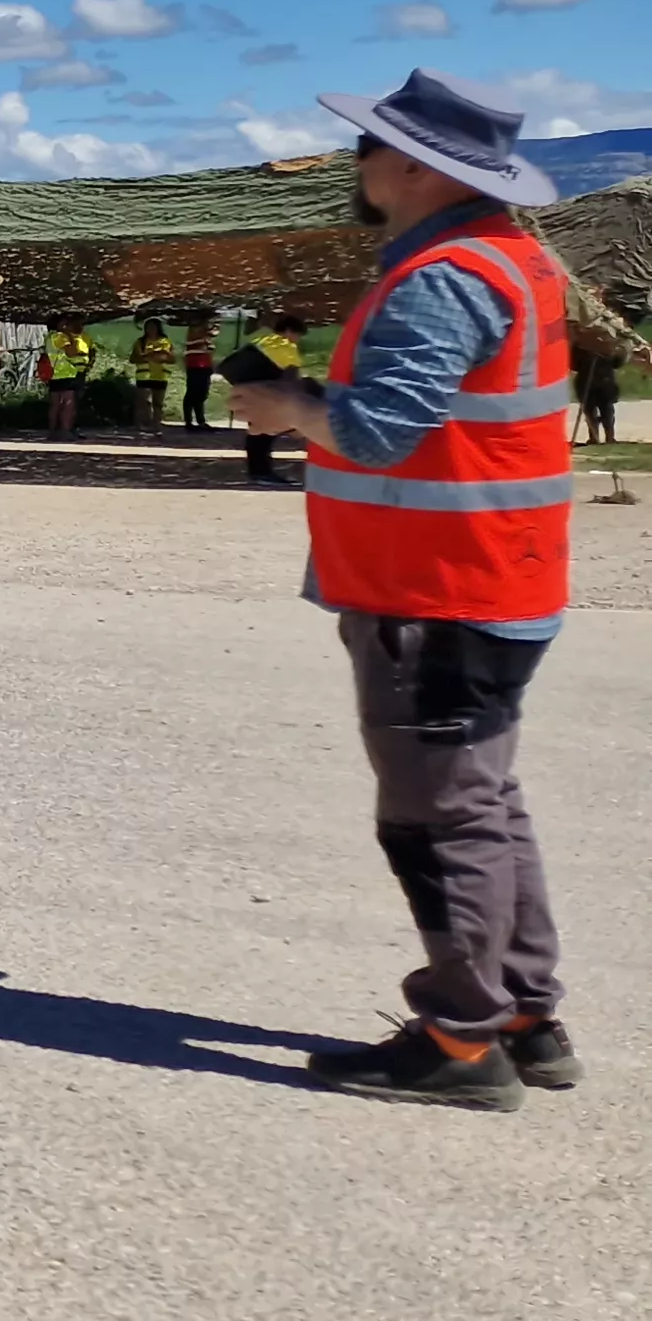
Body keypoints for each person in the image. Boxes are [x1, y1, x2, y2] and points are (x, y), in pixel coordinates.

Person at [226, 69, 577, 1111]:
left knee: (435, 822)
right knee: (485, 806)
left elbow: (381, 432)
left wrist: (290, 404)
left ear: (414, 167)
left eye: (367, 149)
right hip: (495, 576)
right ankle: (521, 1009)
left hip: (434, 593)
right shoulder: (511, 260)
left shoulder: (440, 277)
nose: (357, 166)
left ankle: (460, 1042)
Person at [247, 313, 311, 486]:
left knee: (255, 434)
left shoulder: (262, 341)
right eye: (297, 335)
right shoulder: (286, 346)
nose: (297, 340)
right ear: (289, 331)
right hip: (272, 395)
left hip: (251, 392)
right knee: (266, 435)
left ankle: (256, 471)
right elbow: (291, 374)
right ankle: (263, 473)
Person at [41, 319, 95, 441]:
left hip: (56, 374)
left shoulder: (52, 336)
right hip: (66, 373)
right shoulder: (60, 336)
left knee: (55, 404)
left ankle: (53, 430)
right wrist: (71, 336)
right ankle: (65, 430)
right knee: (67, 404)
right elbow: (71, 352)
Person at [576, 324, 626, 446]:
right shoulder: (581, 346)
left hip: (605, 383)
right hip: (587, 382)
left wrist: (613, 353)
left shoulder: (609, 347)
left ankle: (610, 437)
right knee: (590, 412)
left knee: (607, 412)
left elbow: (618, 362)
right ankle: (594, 437)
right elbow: (573, 363)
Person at [126, 320, 174, 434]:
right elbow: (133, 359)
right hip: (144, 375)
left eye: (153, 327)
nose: (150, 330)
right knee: (143, 401)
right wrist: (150, 356)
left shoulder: (165, 341)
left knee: (158, 403)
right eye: (148, 327)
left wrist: (159, 356)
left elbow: (171, 358)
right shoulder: (140, 342)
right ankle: (141, 425)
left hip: (160, 375)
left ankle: (156, 425)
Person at [180, 319, 218, 432]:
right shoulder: (195, 329)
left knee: (202, 393)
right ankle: (189, 421)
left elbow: (215, 333)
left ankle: (200, 420)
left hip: (204, 364)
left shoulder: (207, 334)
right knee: (192, 392)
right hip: (194, 364)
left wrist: (215, 324)